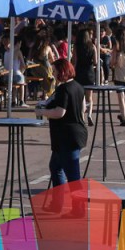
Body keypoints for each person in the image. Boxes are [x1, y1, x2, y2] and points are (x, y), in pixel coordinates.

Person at [36, 59, 87, 187]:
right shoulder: (78, 86)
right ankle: (60, 195)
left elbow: (60, 112)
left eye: (54, 71)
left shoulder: (63, 89)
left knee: (72, 175)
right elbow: (83, 109)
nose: (53, 74)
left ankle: (73, 198)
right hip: (75, 134)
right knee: (55, 166)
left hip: (67, 137)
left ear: (62, 72)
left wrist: (43, 112)